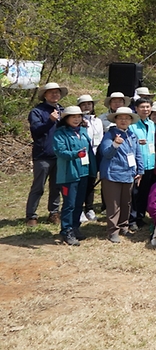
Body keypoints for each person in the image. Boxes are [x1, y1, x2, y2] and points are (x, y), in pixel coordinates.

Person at [51, 105, 97, 245]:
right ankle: (66, 231)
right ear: (66, 119)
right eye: (73, 117)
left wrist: (93, 170)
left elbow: (89, 152)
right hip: (69, 174)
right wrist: (75, 154)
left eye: (79, 117)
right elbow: (60, 151)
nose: (77, 119)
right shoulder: (60, 133)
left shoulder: (83, 131)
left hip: (83, 172)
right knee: (69, 204)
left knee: (78, 203)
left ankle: (75, 227)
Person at [98, 106, 143, 243]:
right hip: (112, 174)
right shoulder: (110, 134)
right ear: (115, 120)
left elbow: (137, 154)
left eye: (127, 118)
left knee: (126, 202)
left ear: (130, 120)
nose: (124, 121)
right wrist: (115, 145)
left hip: (128, 174)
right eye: (120, 118)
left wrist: (140, 171)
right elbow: (105, 153)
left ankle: (124, 226)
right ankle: (113, 231)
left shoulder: (132, 135)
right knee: (113, 204)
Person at [26, 82, 67, 227]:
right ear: (45, 95)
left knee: (56, 186)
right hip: (43, 155)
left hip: (59, 155)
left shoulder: (62, 110)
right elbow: (36, 131)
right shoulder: (37, 111)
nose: (55, 95)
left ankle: (54, 213)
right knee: (38, 187)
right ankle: (31, 216)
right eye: (51, 92)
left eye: (57, 92)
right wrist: (50, 121)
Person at [129, 99, 156, 232]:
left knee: (144, 192)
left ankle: (140, 217)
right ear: (136, 108)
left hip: (150, 163)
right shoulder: (132, 124)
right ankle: (132, 219)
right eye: (142, 107)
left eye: (148, 107)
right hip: (136, 164)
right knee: (134, 193)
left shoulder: (152, 124)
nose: (145, 109)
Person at [76, 94, 103, 222]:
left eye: (89, 104)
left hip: (96, 153)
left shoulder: (97, 121)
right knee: (81, 181)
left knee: (91, 182)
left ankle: (90, 208)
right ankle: (80, 209)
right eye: (83, 104)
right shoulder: (77, 121)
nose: (87, 106)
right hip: (82, 154)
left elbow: (101, 138)